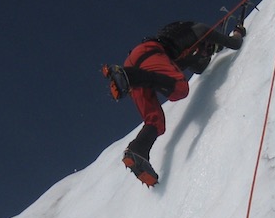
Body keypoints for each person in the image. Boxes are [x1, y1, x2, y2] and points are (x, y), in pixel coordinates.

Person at [102, 19, 246, 186]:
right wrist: (238, 32)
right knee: (180, 88)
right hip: (148, 55)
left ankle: (138, 150)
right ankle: (129, 76)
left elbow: (196, 67)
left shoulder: (180, 46)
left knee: (155, 120)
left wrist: (202, 55)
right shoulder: (199, 31)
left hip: (137, 61)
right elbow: (233, 44)